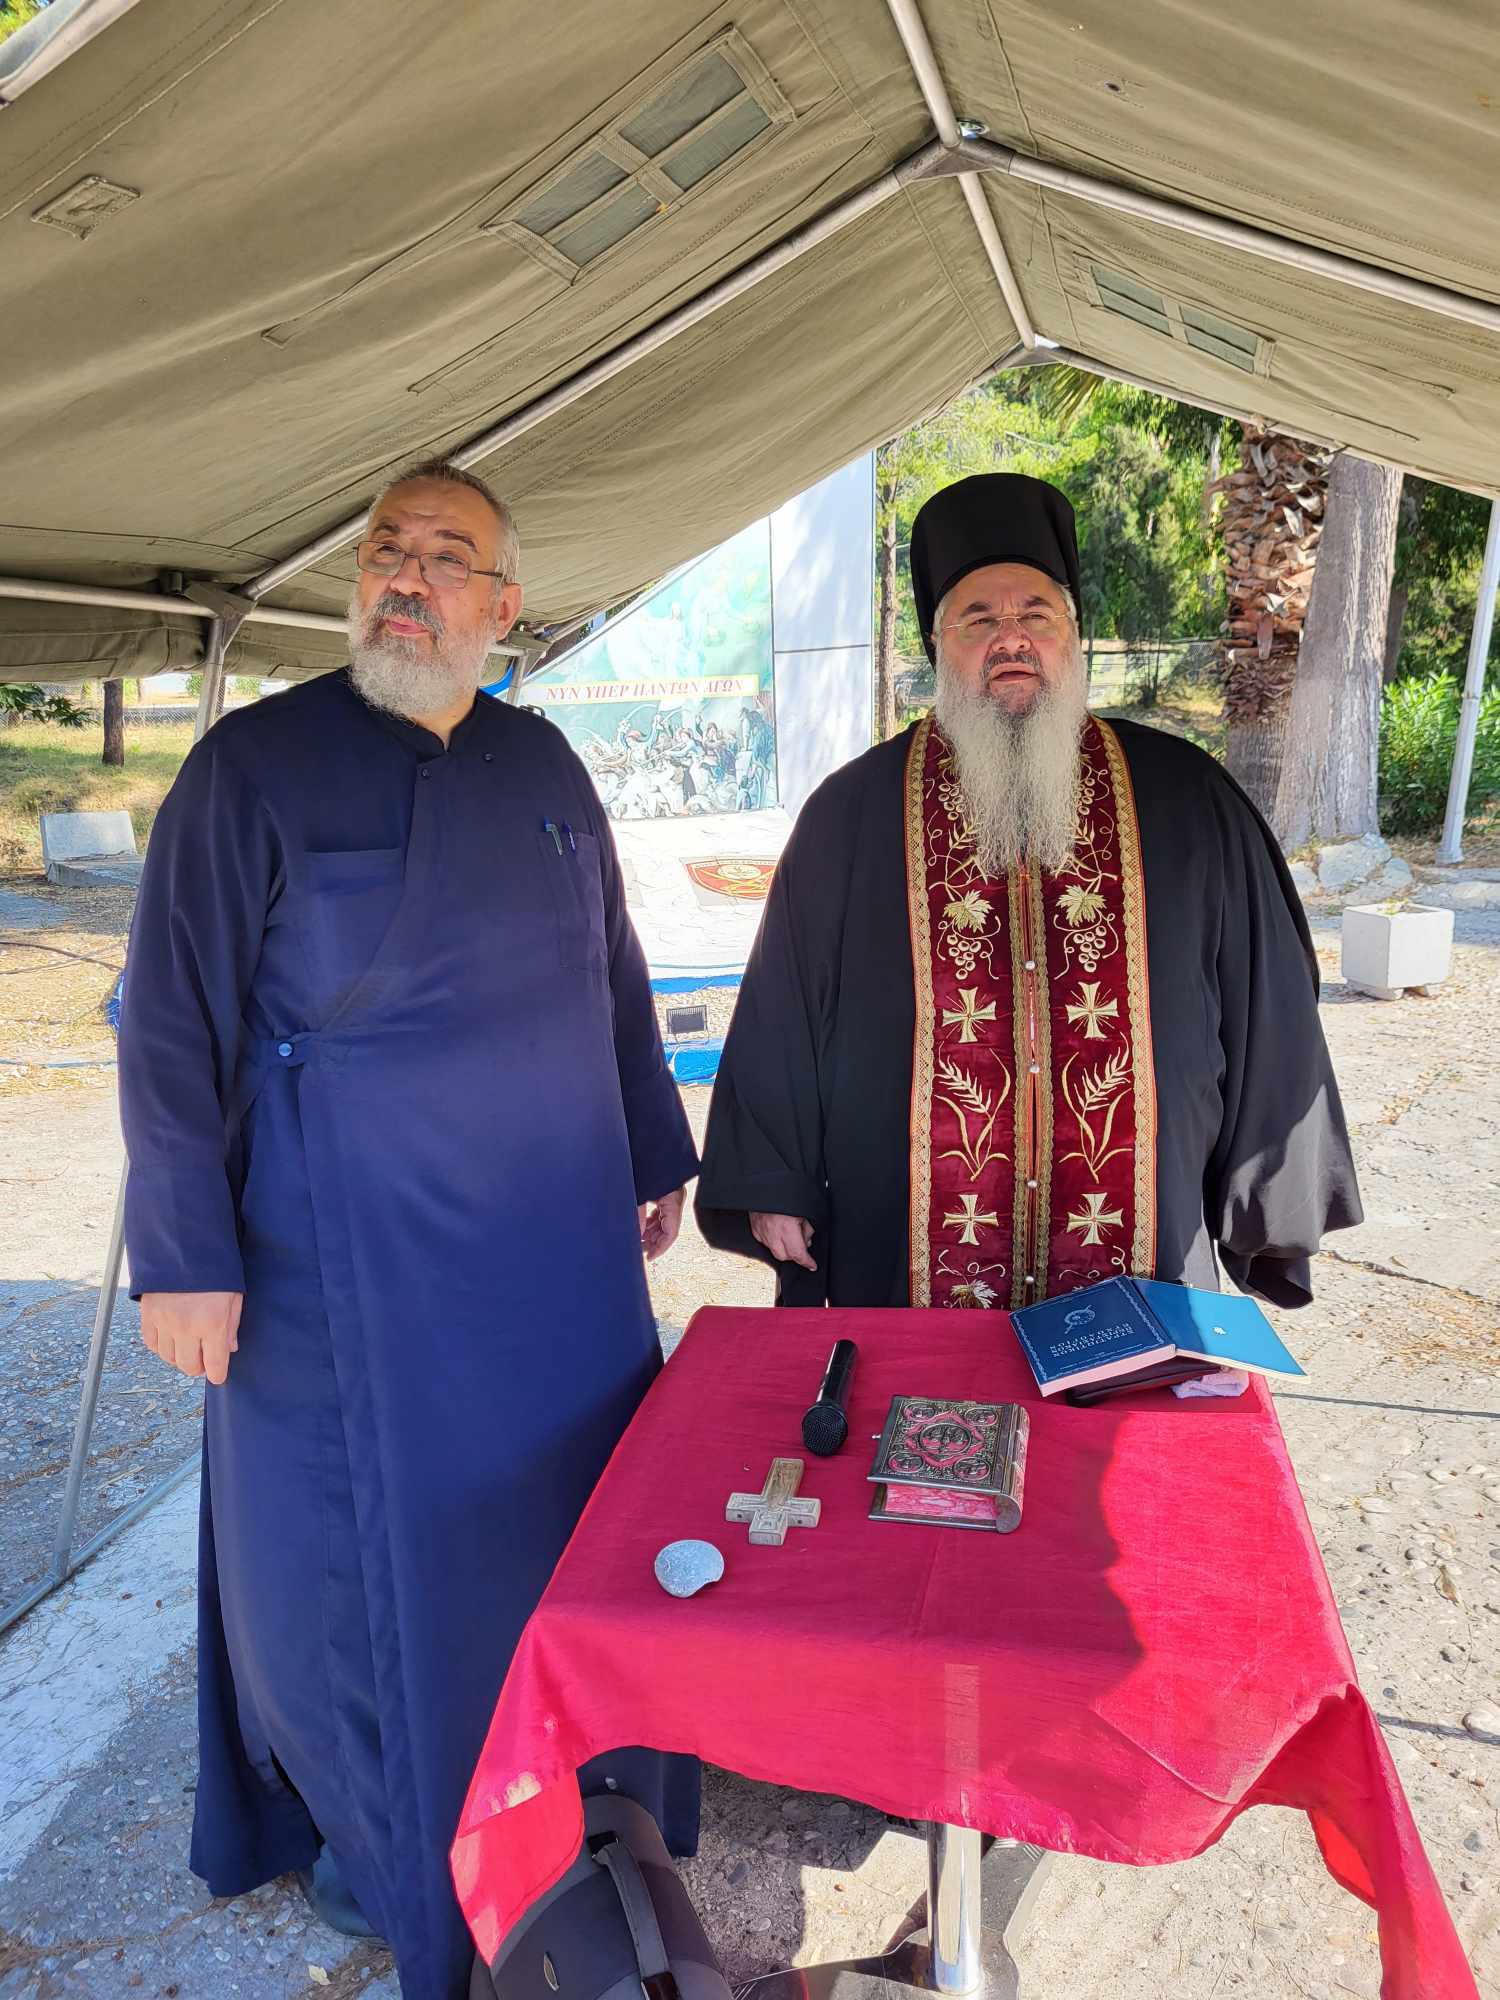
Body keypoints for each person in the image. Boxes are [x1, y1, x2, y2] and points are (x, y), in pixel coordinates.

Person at [118, 458, 698, 1999]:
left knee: (568, 1532)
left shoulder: (545, 764)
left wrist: (654, 1146)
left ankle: (581, 1787)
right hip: (346, 1267)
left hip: (556, 1265)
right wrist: (184, 1254)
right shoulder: (251, 767)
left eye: (448, 558)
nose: (408, 579)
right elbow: (168, 1023)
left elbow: (610, 968)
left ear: (503, 608)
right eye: (388, 549)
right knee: (358, 1580)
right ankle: (382, 1847)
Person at [696, 472, 1360, 1311]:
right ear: (939, 645)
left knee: (1133, 1387)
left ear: (1073, 636)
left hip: (1145, 1247)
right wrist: (775, 1178)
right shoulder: (851, 812)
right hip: (903, 1253)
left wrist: (1268, 1195)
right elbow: (781, 1007)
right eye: (978, 619)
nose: (1010, 640)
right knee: (915, 1398)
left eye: (1036, 616)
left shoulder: (1187, 796)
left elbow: (1268, 1001)